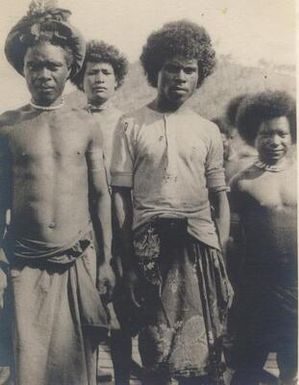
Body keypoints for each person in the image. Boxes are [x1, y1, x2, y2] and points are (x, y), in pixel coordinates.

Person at [111, 20, 233, 385]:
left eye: (189, 69)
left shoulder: (208, 130)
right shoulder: (131, 125)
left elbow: (219, 198)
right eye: (171, 68)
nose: (180, 77)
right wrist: (128, 261)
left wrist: (219, 256)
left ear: (200, 75)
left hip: (199, 248)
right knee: (156, 351)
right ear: (154, 70)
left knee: (203, 356)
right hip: (151, 248)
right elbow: (120, 196)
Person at [0, 2, 115, 385]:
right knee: (28, 365)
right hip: (25, 259)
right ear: (23, 69)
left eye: (53, 66)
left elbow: (100, 194)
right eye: (35, 65)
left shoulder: (86, 125)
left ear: (70, 71)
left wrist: (106, 261)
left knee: (75, 365)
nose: (44, 74)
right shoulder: (8, 126)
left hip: (77, 257)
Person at [72, 40, 133, 385]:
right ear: (80, 80)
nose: (98, 79)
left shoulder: (128, 122)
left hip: (121, 220)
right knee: (85, 309)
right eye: (91, 72)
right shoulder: (71, 119)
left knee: (122, 310)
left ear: (117, 79)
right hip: (81, 222)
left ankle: (123, 377)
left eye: (105, 72)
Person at [229, 91, 297, 385]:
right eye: (266, 134)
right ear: (252, 137)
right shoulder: (242, 183)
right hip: (257, 286)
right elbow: (232, 239)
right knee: (247, 364)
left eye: (282, 133)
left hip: (296, 286)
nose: (275, 141)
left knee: (292, 363)